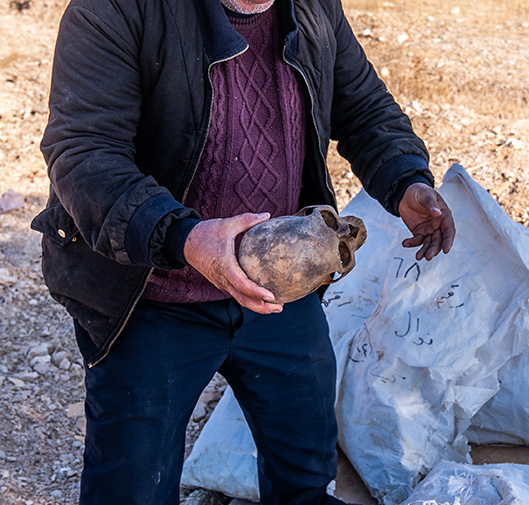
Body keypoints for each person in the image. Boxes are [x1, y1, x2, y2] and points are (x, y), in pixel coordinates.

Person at [31, 0, 455, 500]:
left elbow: (361, 105)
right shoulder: (115, 11)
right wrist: (185, 237)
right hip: (150, 298)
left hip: (280, 293)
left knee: (304, 476)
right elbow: (85, 153)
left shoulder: (312, 8)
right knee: (131, 489)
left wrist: (404, 178)